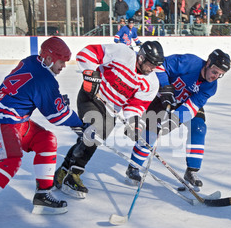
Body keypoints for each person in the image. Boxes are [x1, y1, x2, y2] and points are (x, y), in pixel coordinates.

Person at [0, 37, 84, 228]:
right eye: (61, 62)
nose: (63, 67)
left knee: (46, 140)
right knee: (9, 161)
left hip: (13, 118)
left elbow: (30, 92)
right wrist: (80, 125)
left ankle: (43, 195)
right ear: (49, 59)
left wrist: (55, 100)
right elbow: (56, 116)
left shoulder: (32, 60)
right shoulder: (44, 80)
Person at [53, 41, 165, 199]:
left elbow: (136, 105)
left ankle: (64, 171)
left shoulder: (151, 83)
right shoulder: (122, 53)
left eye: (156, 65)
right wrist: (89, 75)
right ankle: (73, 175)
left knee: (92, 140)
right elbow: (87, 52)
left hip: (111, 110)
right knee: (94, 131)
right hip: (91, 97)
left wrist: (133, 123)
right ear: (140, 58)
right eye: (151, 64)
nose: (153, 68)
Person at [126, 49, 231, 189]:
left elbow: (192, 107)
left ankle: (192, 171)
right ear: (208, 63)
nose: (215, 77)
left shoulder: (211, 87)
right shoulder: (189, 62)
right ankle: (134, 167)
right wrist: (165, 86)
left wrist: (172, 122)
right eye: (214, 71)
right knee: (152, 132)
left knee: (199, 127)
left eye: (220, 75)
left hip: (183, 103)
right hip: (162, 96)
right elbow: (159, 66)